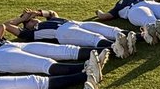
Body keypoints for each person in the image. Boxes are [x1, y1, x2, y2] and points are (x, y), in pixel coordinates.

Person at [0, 26, 106, 80]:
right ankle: (88, 69)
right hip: (0, 58)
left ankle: (108, 49)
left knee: (61, 50)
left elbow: (0, 27)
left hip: (11, 46)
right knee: (44, 64)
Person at [7, 8, 138, 55]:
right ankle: (119, 48)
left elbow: (51, 13)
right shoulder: (31, 33)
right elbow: (6, 26)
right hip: (63, 33)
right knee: (94, 37)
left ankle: (141, 36)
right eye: (29, 20)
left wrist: (37, 12)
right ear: (26, 27)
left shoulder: (49, 20)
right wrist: (21, 19)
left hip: (74, 23)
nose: (33, 19)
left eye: (33, 18)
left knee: (110, 30)